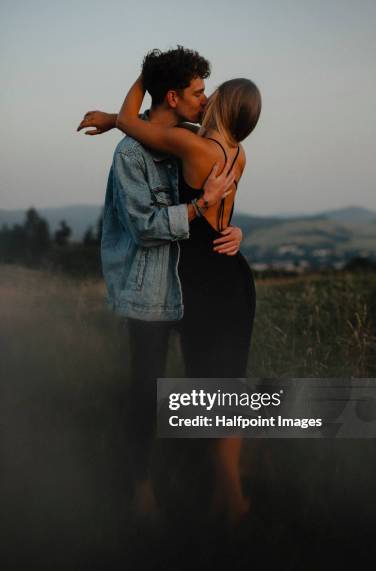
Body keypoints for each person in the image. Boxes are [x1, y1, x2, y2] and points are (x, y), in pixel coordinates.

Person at [77, 47, 244, 520]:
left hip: (196, 284)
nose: (205, 99)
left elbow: (214, 200)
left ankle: (203, 479)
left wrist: (230, 227)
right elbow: (144, 226)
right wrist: (197, 207)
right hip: (150, 288)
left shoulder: (192, 137)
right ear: (173, 95)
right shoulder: (130, 152)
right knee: (146, 391)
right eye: (196, 92)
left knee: (199, 386)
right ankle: (141, 491)